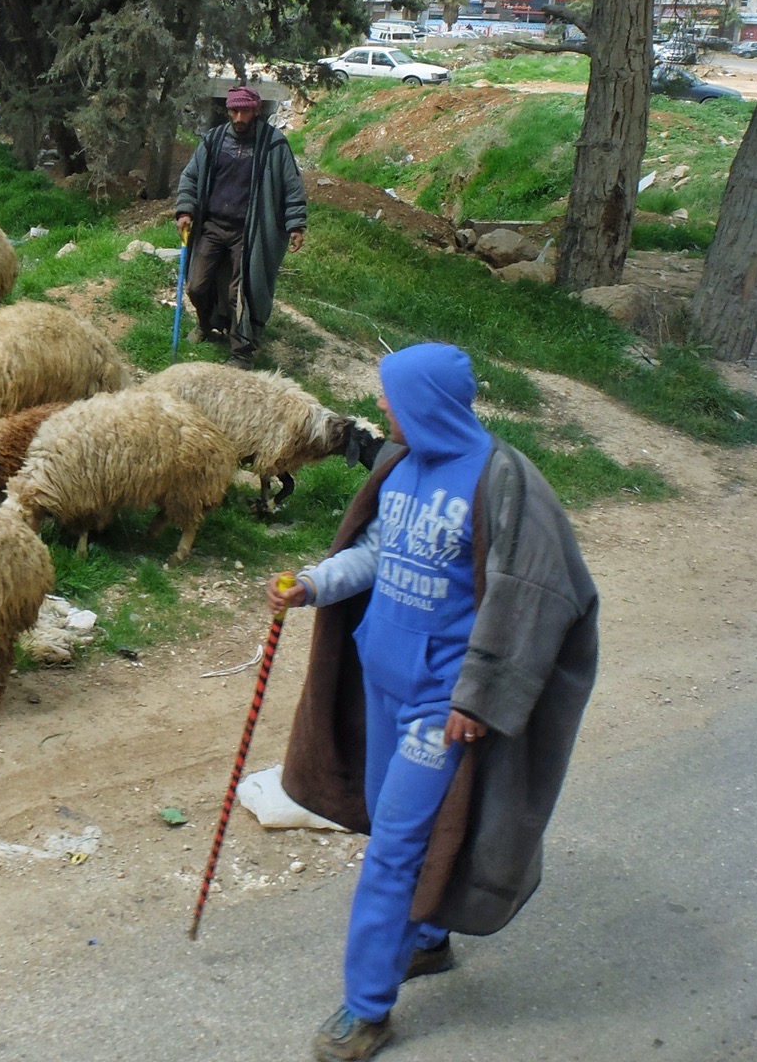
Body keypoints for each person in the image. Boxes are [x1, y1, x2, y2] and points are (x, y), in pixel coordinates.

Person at [267, 343, 599, 1061]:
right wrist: (315, 584)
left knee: (391, 852)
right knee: (394, 827)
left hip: (439, 706)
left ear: (427, 403)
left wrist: (479, 696)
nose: (381, 407)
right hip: (383, 687)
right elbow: (380, 555)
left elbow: (539, 598)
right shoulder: (397, 467)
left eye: (392, 396)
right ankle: (424, 940)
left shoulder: (503, 482)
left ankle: (367, 1009)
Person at [174, 85, 307, 366]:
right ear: (227, 111)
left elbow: (292, 187)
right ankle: (205, 323)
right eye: (234, 111)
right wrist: (185, 209)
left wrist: (295, 224)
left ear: (256, 111)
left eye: (245, 111)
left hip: (249, 231)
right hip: (212, 226)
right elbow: (191, 177)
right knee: (197, 285)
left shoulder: (274, 144)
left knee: (241, 293)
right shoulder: (213, 140)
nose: (238, 117)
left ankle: (241, 352)